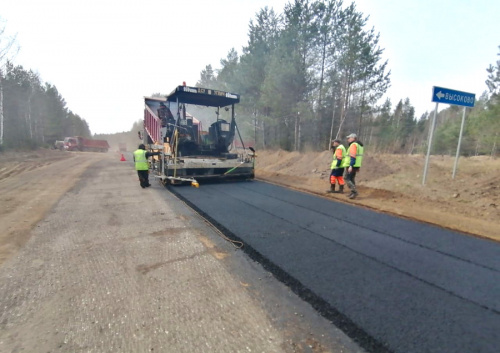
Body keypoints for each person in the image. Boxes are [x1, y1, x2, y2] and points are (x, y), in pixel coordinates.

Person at [345, 133, 364, 199]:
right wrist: (357, 167)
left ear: (353, 138)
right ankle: (352, 192)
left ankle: (354, 191)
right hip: (356, 164)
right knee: (351, 178)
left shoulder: (353, 145)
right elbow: (359, 157)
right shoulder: (360, 145)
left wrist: (351, 165)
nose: (348, 139)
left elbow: (353, 156)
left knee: (347, 178)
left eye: (349, 138)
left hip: (351, 164)